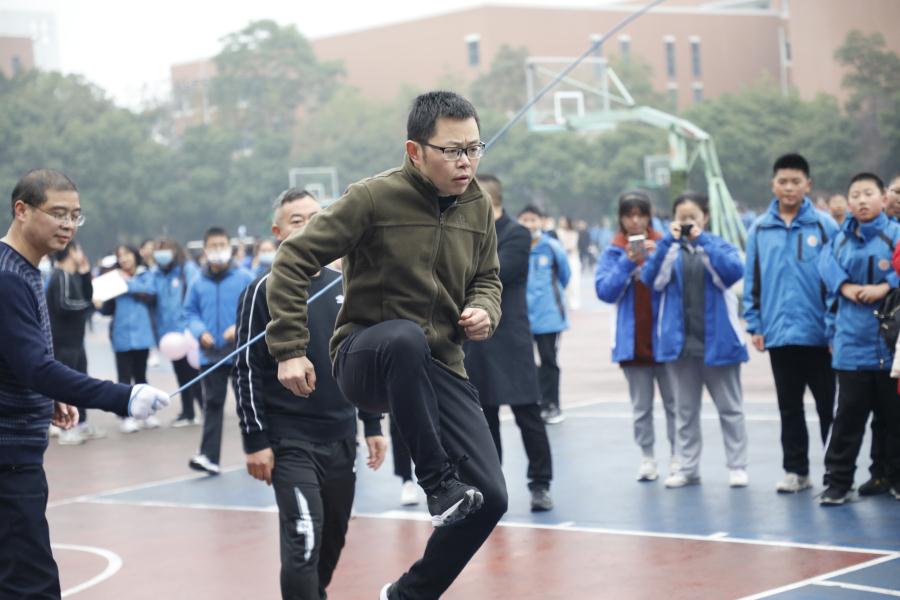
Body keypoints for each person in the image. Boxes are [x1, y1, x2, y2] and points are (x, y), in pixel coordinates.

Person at [266, 91, 507, 600]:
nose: (466, 162)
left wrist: (485, 309)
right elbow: (291, 260)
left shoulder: (477, 206)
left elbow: (488, 278)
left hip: (440, 364)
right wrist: (289, 347)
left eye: (474, 148)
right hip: (365, 356)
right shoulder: (373, 199)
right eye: (452, 150)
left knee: (491, 498)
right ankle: (436, 483)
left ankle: (406, 595)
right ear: (415, 151)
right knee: (404, 337)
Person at [0, 168, 167, 599]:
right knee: (30, 584)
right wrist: (123, 396)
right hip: (9, 459)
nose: (69, 224)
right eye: (58, 213)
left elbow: (19, 361)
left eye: (75, 215)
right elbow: (36, 367)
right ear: (22, 210)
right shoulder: (8, 277)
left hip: (17, 452)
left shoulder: (24, 270)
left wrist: (48, 395)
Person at [234, 188, 387, 600]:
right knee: (303, 536)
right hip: (291, 442)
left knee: (331, 540)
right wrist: (255, 440)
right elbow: (245, 368)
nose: (309, 226)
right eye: (297, 220)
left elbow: (362, 357)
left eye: (316, 218)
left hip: (341, 437)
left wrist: (372, 423)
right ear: (278, 232)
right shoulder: (261, 291)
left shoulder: (346, 285)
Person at [743, 154, 838, 493]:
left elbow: (836, 280)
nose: (789, 188)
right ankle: (796, 471)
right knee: (789, 408)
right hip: (779, 334)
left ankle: (836, 473)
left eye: (795, 181)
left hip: (819, 335)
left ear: (807, 185)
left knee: (828, 408)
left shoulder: (825, 226)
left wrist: (834, 328)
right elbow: (751, 279)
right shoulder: (759, 228)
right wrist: (755, 324)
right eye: (782, 181)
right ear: (773, 185)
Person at [641, 192, 750, 489]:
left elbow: (732, 272)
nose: (687, 222)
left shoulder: (718, 245)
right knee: (685, 411)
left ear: (705, 217)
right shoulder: (668, 248)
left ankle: (737, 466)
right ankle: (688, 468)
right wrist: (668, 242)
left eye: (693, 217)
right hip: (680, 346)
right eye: (682, 217)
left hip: (719, 343)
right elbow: (651, 279)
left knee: (730, 408)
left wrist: (702, 242)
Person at [465, 174, 554, 511]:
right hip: (476, 339)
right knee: (484, 420)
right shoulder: (468, 233)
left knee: (528, 415)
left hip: (511, 338)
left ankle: (540, 484)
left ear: (488, 201)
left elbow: (494, 274)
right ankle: (492, 487)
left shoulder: (516, 233)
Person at [817, 172, 900, 505]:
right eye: (855, 195)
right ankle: (838, 482)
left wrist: (885, 285)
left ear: (883, 198)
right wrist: (845, 286)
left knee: (894, 418)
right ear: (848, 202)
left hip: (892, 347)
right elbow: (826, 272)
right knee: (847, 419)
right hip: (851, 344)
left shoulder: (896, 234)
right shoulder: (838, 240)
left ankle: (892, 477)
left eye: (868, 193)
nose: (862, 200)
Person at [595, 191, 676, 482]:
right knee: (642, 408)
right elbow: (604, 291)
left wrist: (658, 257)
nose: (635, 221)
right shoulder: (613, 251)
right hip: (633, 343)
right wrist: (628, 263)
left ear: (649, 216)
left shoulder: (666, 244)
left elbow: (678, 283)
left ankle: (679, 457)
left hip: (665, 340)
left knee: (675, 406)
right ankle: (648, 458)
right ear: (621, 218)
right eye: (629, 215)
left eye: (641, 214)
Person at [184, 227, 254, 475]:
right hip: (210, 355)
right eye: (213, 245)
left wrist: (238, 326)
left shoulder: (245, 277)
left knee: (248, 404)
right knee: (212, 404)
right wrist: (199, 331)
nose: (218, 250)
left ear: (230, 247)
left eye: (222, 244)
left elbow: (256, 307)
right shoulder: (197, 281)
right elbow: (189, 312)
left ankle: (257, 451)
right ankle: (209, 457)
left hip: (240, 353)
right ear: (205, 250)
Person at [46, 241, 105, 445]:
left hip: (76, 342)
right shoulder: (60, 275)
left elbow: (87, 295)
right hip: (64, 343)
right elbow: (64, 305)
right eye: (79, 249)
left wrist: (86, 273)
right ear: (71, 252)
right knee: (65, 386)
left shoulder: (73, 275)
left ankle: (81, 423)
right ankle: (66, 429)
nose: (82, 253)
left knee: (80, 382)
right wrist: (89, 306)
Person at [518, 204, 571, 425]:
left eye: (533, 220)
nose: (529, 224)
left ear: (541, 221)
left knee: (548, 360)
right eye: (525, 220)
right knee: (525, 362)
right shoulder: (515, 246)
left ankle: (552, 404)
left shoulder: (551, 246)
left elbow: (565, 275)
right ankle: (534, 403)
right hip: (522, 316)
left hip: (549, 315)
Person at [100, 244, 159, 433]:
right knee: (124, 378)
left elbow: (151, 293)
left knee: (141, 376)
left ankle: (146, 413)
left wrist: (126, 283)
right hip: (121, 334)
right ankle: (125, 416)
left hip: (142, 333)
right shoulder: (113, 278)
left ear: (135, 255)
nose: (124, 258)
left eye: (127, 254)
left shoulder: (145, 275)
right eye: (120, 255)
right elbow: (106, 308)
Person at [152, 238, 202, 427]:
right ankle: (187, 412)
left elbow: (196, 296)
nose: (162, 254)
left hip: (187, 332)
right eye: (159, 250)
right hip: (169, 336)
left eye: (166, 249)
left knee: (194, 374)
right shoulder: (157, 274)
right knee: (181, 374)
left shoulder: (187, 270)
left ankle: (205, 409)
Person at [557, 215, 581, 310]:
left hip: (572, 258)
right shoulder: (558, 232)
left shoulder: (574, 233)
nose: (561, 223)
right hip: (562, 258)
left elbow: (572, 246)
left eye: (563, 221)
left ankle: (574, 300)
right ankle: (564, 300)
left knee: (574, 280)